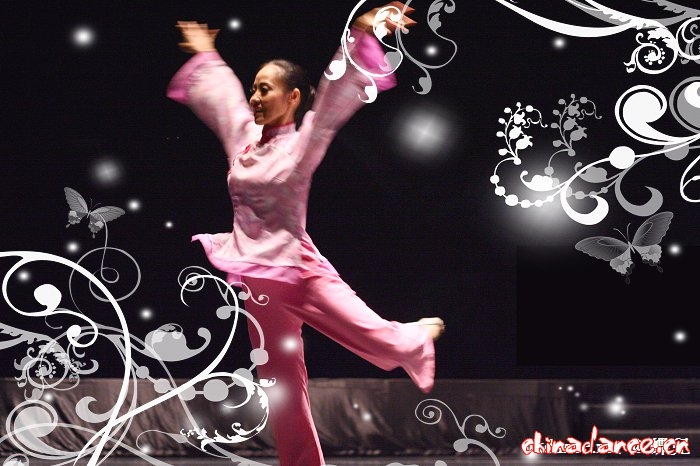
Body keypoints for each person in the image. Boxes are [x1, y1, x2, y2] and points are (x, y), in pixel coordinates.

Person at [167, 3, 444, 465]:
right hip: (255, 281)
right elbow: (225, 98)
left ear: (293, 97)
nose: (255, 97)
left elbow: (333, 97)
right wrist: (207, 55)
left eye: (266, 89)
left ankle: (416, 337)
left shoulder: (302, 143)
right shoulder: (243, 138)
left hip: (299, 271)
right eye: (255, 88)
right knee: (279, 386)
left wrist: (360, 34)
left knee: (377, 338)